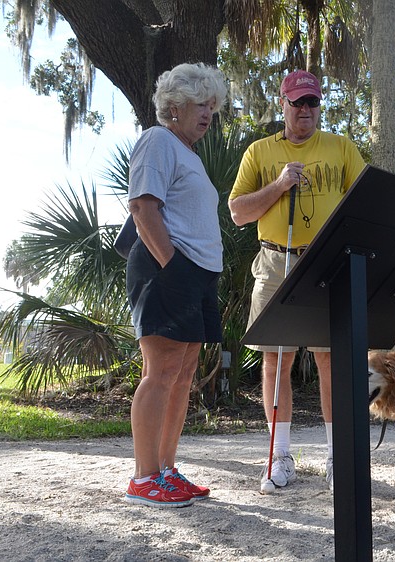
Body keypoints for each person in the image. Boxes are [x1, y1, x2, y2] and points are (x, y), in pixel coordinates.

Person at [228, 70, 366, 493]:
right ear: (283, 105)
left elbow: (364, 201)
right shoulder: (259, 152)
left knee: (331, 359)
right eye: (298, 103)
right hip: (274, 261)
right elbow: (238, 211)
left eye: (312, 103)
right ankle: (280, 457)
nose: (305, 111)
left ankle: (336, 457)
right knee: (276, 358)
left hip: (327, 263)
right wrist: (280, 184)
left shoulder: (341, 147)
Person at [123, 62, 227, 508]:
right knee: (160, 372)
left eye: (211, 105)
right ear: (174, 106)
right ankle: (143, 478)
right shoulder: (159, 140)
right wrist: (173, 266)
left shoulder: (190, 154)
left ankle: (166, 470)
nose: (207, 113)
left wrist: (193, 273)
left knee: (183, 377)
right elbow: (143, 208)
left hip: (198, 274)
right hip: (169, 269)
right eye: (198, 104)